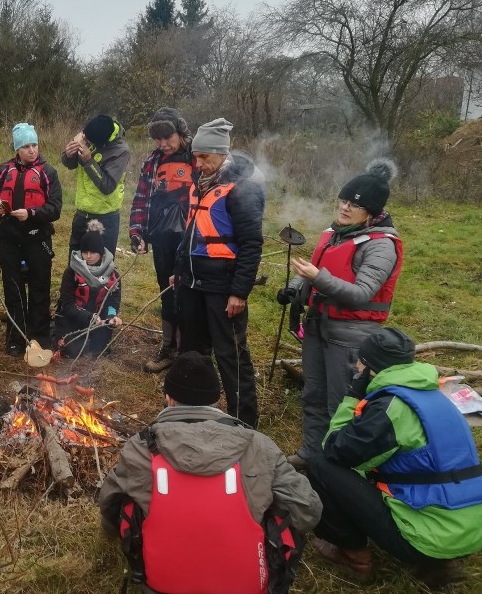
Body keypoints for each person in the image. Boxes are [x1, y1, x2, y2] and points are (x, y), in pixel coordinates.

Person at [99, 352, 322, 594]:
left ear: (169, 398)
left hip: (161, 586)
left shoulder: (140, 448)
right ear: (216, 400)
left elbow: (109, 505)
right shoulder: (258, 445)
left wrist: (114, 531)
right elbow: (308, 511)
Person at [307, 328, 482, 588]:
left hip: (427, 540)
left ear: (369, 368)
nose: (356, 365)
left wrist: (352, 397)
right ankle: (445, 559)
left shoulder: (389, 409)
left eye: (359, 361)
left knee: (321, 465)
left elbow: (334, 448)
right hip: (472, 531)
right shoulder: (436, 397)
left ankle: (355, 556)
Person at [277, 159, 402, 470]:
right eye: (343, 201)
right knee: (313, 395)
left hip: (351, 336)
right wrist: (295, 288)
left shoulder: (381, 246)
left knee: (342, 405)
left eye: (353, 205)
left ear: (371, 212)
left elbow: (361, 294)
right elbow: (317, 269)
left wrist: (316, 277)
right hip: (319, 326)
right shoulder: (335, 232)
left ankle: (338, 468)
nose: (345, 208)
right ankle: (311, 454)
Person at [174, 119, 264, 427]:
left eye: (204, 157)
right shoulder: (200, 185)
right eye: (195, 156)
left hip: (222, 286)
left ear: (221, 154)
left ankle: (244, 422)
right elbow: (190, 233)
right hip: (192, 282)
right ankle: (193, 414)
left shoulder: (242, 191)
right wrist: (179, 271)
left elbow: (252, 245)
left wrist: (239, 292)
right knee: (193, 352)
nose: (198, 164)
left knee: (231, 356)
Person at [0, 123, 62, 356]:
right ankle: (15, 339)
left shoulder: (47, 172)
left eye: (34, 145)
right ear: (17, 148)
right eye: (26, 146)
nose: (32, 150)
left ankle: (39, 337)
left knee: (40, 288)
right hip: (9, 238)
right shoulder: (3, 170)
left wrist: (31, 213)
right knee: (13, 289)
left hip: (37, 238)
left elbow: (56, 208)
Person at [129, 108, 193, 373]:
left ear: (180, 133)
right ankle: (169, 349)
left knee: (189, 295)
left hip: (192, 240)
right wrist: (136, 232)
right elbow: (142, 198)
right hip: (162, 239)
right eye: (158, 139)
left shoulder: (196, 158)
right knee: (167, 292)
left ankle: (191, 353)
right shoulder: (151, 162)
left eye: (168, 137)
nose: (164, 144)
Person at [60, 114, 130, 255]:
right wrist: (68, 154)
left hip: (105, 218)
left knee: (100, 268)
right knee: (75, 264)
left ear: (102, 142)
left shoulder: (121, 151)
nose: (87, 142)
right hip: (81, 213)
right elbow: (70, 164)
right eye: (86, 137)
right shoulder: (91, 131)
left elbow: (107, 186)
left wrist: (88, 160)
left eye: (91, 142)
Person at [54, 220, 123, 358]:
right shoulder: (71, 272)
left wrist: (111, 317)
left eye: (93, 252)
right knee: (73, 352)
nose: (89, 256)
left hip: (99, 322)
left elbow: (113, 302)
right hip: (73, 320)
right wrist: (89, 317)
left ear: (101, 253)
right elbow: (67, 306)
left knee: (98, 352)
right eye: (85, 252)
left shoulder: (113, 275)